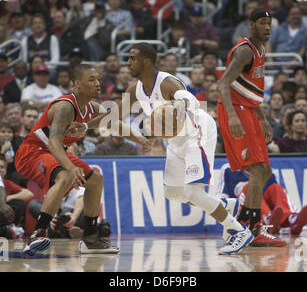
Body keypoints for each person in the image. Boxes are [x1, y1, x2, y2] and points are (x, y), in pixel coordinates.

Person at [69, 43, 255, 255]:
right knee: (174, 193)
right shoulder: (136, 89)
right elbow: (113, 115)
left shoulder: (167, 83)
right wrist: (84, 126)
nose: (128, 62)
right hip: (176, 139)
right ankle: (222, 205)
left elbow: (192, 103)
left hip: (197, 132)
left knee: (193, 192)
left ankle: (238, 230)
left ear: (146, 61)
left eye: (132, 58)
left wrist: (177, 107)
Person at [14, 64, 150, 256]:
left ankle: (90, 239)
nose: (97, 83)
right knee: (65, 176)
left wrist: (140, 139)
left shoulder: (92, 107)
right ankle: (39, 234)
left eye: (98, 79)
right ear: (76, 84)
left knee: (95, 181)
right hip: (32, 152)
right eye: (91, 79)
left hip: (54, 152)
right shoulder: (64, 107)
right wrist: (70, 166)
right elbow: (53, 143)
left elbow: (113, 123)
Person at [217, 7, 286, 246]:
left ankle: (244, 222)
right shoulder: (245, 51)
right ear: (252, 25)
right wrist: (232, 116)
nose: (267, 28)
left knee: (264, 170)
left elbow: (251, 90)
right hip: (235, 111)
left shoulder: (261, 49)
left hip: (248, 111)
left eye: (269, 24)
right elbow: (223, 84)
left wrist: (262, 117)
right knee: (257, 170)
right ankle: (252, 229)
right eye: (263, 24)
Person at [217, 163, 307, 236]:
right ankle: (267, 219)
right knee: (251, 187)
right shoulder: (228, 169)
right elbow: (221, 199)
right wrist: (230, 220)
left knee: (275, 188)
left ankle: (292, 219)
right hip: (243, 216)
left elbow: (278, 204)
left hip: (265, 216)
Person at [0, 154, 33, 239]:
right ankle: (8, 231)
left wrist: (9, 198)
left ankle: (11, 228)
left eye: (2, 167)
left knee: (19, 204)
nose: (0, 170)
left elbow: (29, 194)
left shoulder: (7, 183)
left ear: (6, 170)